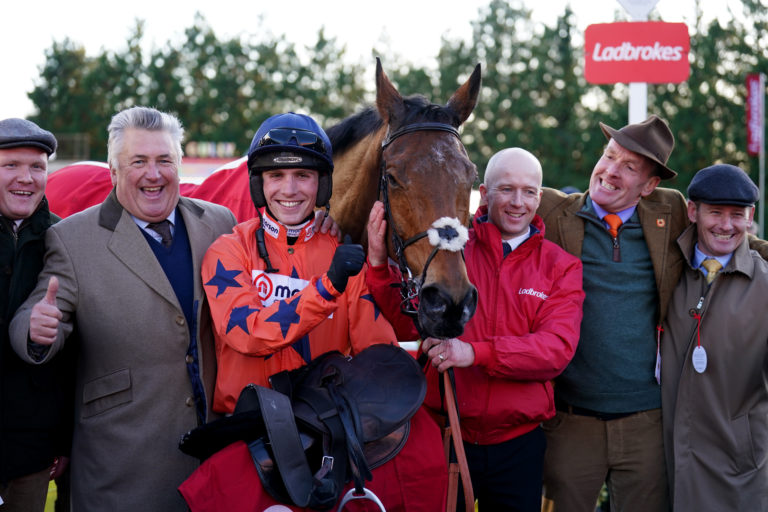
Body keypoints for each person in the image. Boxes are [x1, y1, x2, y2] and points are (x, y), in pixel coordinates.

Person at [182, 112, 448, 511]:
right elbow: (248, 334)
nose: (289, 189)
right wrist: (327, 287)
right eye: (276, 176)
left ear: (322, 184)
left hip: (322, 436)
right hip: (248, 438)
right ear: (258, 184)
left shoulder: (342, 256)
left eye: (303, 176)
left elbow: (377, 352)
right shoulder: (228, 252)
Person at [9, 106, 238, 511]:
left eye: (164, 160)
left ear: (179, 165)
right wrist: (36, 329)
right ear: (114, 171)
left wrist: (323, 227)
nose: (154, 174)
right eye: (138, 162)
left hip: (213, 457)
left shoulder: (219, 223)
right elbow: (36, 313)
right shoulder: (72, 239)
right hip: (123, 463)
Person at [537, 116, 768, 512]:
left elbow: (738, 238)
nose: (611, 171)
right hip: (571, 419)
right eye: (610, 156)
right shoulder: (551, 209)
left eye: (629, 167)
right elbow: (499, 205)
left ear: (649, 186)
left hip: (647, 423)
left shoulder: (671, 210)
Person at [366, 147, 585, 510]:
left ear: (539, 198)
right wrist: (377, 266)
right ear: (483, 193)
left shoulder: (561, 266)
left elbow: (555, 350)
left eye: (528, 192)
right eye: (506, 189)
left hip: (518, 445)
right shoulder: (450, 249)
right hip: (446, 435)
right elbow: (407, 322)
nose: (518, 202)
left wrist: (473, 353)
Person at [661, 164, 768, 510]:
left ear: (750, 218)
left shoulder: (765, 285)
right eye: (716, 212)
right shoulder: (665, 271)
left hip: (738, 470)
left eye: (737, 215)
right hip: (663, 463)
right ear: (692, 211)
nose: (726, 225)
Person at [0, 119, 71, 511]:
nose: (25, 178)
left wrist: (63, 441)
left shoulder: (64, 240)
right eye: (10, 165)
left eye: (37, 167)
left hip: (32, 444)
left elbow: (75, 357)